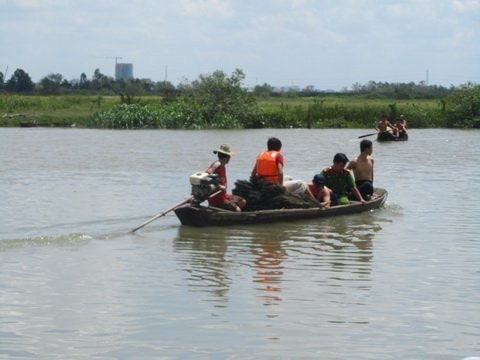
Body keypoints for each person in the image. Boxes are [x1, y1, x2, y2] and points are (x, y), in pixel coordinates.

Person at [206, 144, 246, 212]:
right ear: (227, 157)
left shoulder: (222, 166)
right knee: (238, 210)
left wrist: (224, 185)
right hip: (216, 200)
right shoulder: (217, 164)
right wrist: (219, 186)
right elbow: (207, 175)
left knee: (242, 201)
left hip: (223, 196)